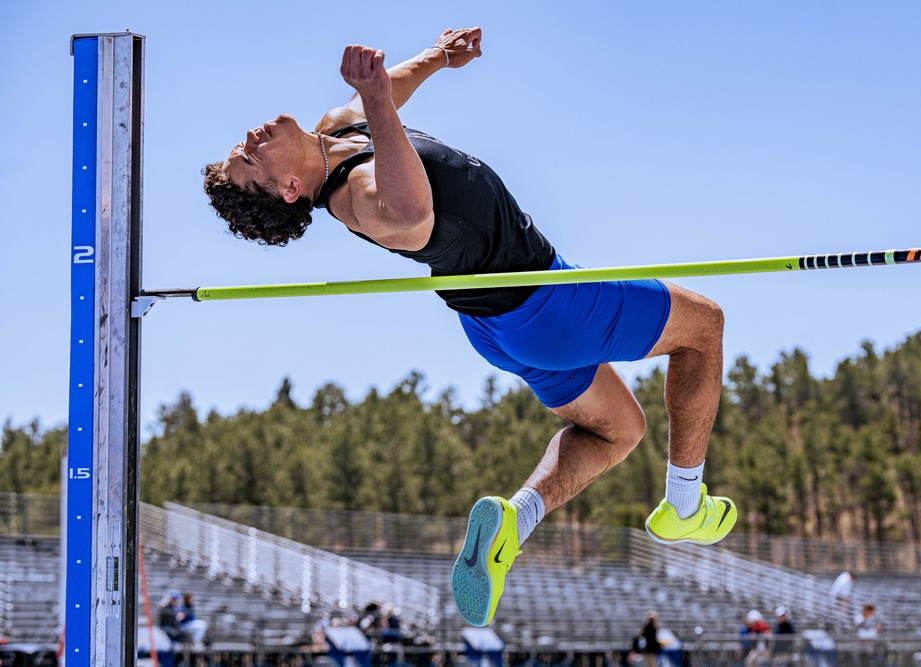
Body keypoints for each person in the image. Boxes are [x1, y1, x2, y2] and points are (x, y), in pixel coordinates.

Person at [203, 26, 738, 628]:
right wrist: (377, 98)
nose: (250, 137)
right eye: (251, 158)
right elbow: (411, 212)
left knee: (621, 430)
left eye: (242, 145)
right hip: (546, 302)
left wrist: (436, 58)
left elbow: (388, 96)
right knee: (704, 326)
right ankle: (686, 504)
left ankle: (514, 520)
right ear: (290, 190)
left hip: (498, 324)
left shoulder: (335, 129)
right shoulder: (356, 198)